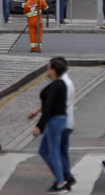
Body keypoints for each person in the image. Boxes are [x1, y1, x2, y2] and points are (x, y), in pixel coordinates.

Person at [28, 58, 69, 194]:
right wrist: (37, 110)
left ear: (53, 70)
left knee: (54, 152)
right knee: (44, 151)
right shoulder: (60, 84)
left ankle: (61, 183)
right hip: (59, 119)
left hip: (54, 121)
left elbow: (50, 107)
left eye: (48, 68)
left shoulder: (55, 86)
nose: (47, 70)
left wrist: (39, 126)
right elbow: (50, 104)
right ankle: (61, 178)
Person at [59, 59, 75, 187]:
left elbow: (60, 104)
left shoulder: (63, 84)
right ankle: (67, 175)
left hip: (61, 122)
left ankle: (61, 179)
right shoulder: (66, 82)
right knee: (62, 150)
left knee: (52, 152)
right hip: (67, 122)